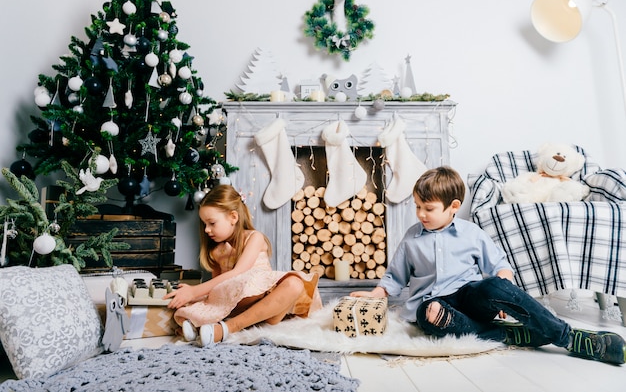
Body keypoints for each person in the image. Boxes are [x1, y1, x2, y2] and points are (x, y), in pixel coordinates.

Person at [351, 166, 626, 365]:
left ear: (453, 206)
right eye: (418, 207)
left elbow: (500, 266)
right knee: (429, 313)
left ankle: (569, 338)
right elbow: (394, 277)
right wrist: (376, 295)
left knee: (496, 285)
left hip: (469, 297)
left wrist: (503, 293)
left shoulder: (472, 233)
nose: (421, 214)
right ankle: (503, 335)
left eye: (429, 208)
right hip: (436, 305)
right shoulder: (412, 237)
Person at [164, 184, 322, 347]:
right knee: (210, 297)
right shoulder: (216, 251)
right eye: (204, 224)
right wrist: (194, 295)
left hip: (269, 302)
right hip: (238, 304)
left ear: (233, 217)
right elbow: (217, 289)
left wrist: (194, 291)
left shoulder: (254, 237)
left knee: (295, 283)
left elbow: (240, 272)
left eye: (211, 223)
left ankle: (227, 328)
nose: (206, 230)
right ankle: (202, 324)